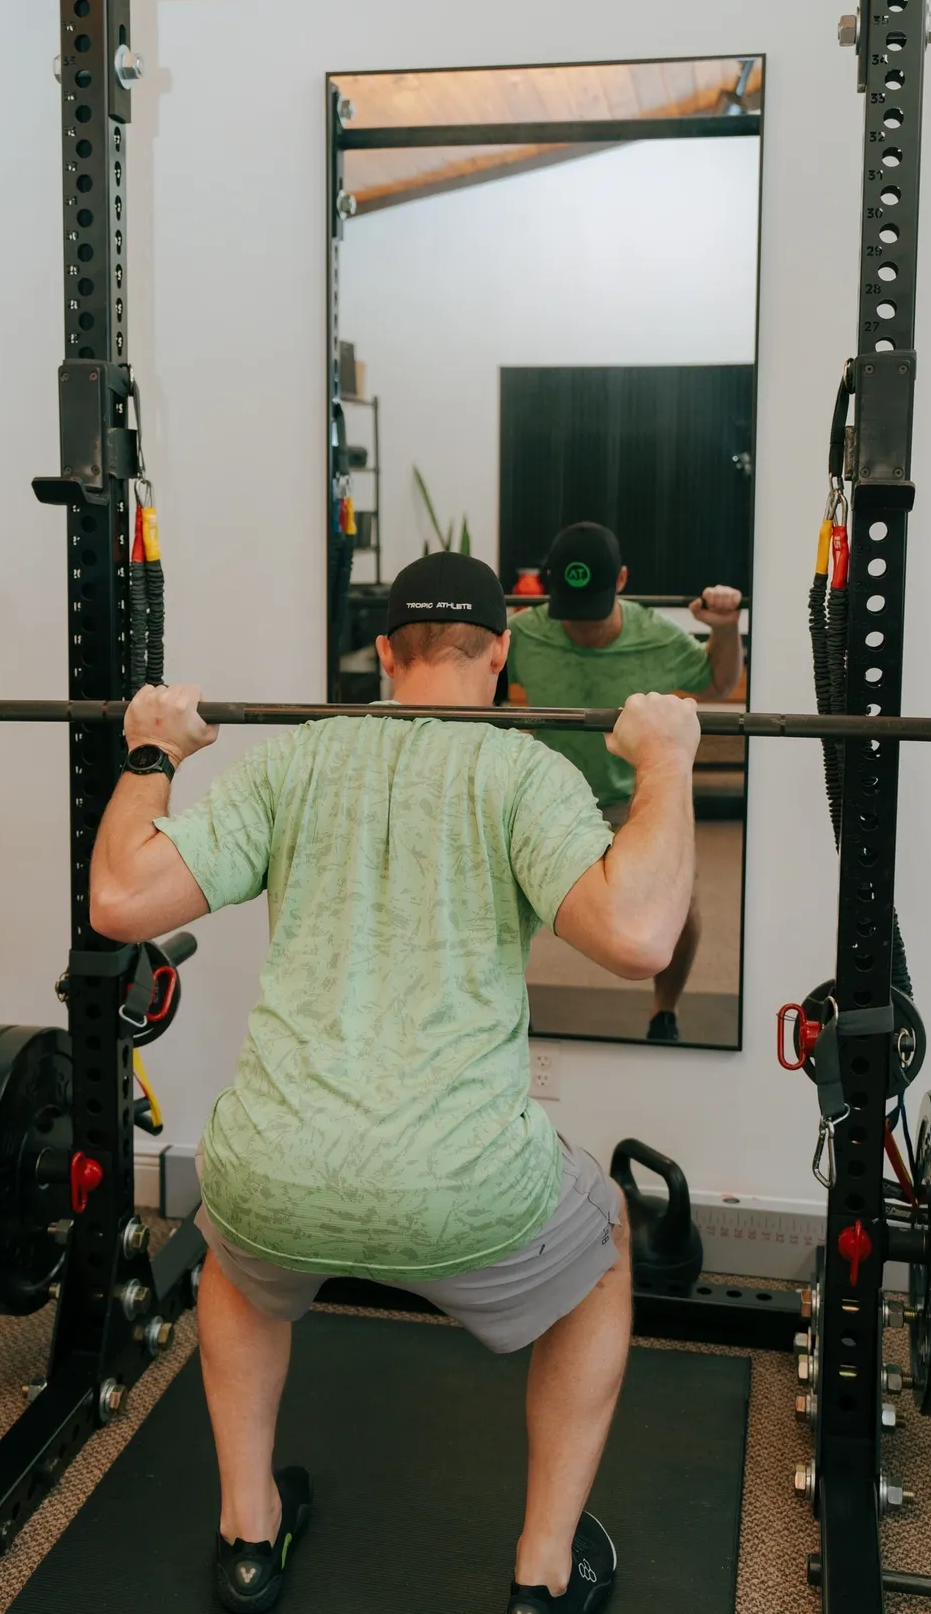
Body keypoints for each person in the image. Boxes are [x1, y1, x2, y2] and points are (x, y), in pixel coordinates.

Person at [90, 551, 699, 1614]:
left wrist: (153, 748)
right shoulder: (522, 773)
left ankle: (247, 1533)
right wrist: (666, 764)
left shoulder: (294, 763)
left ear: (383, 654)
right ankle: (543, 1571)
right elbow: (641, 934)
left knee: (236, 1260)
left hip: (272, 1166)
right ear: (501, 654)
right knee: (602, 1253)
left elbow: (120, 900)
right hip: (466, 1187)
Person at [507, 522, 744, 1045]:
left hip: (631, 803)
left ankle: (665, 1011)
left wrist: (724, 627)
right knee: (496, 897)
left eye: (591, 606)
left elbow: (722, 683)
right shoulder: (524, 633)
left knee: (682, 909)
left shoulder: (656, 636)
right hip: (549, 797)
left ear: (622, 581)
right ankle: (505, 1009)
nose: (581, 627)